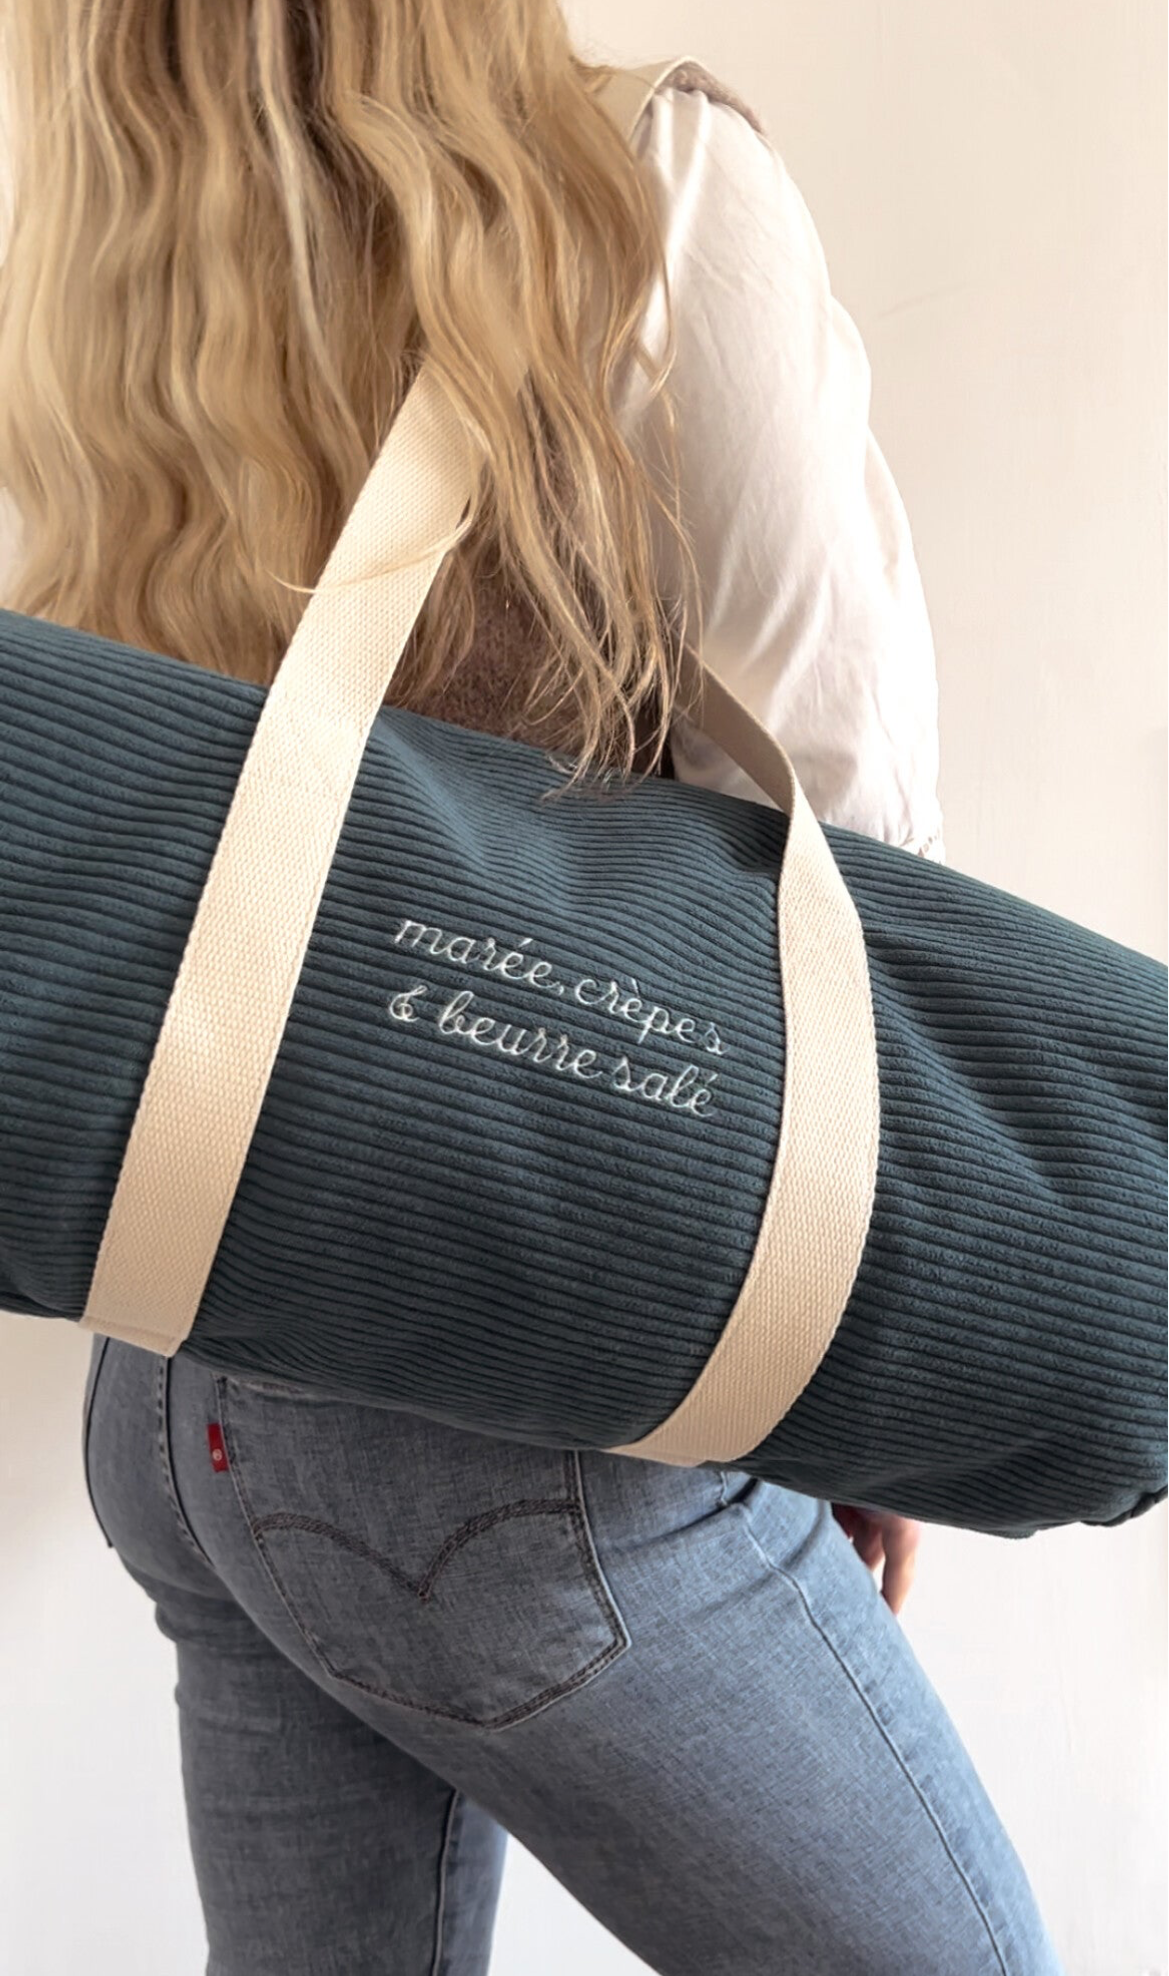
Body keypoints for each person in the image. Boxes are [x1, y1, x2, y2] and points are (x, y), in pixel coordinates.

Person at [0, 6, 1064, 1972]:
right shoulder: (643, 187)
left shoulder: (105, 277)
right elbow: (843, 830)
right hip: (525, 1425)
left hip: (181, 1398)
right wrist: (854, 1394)